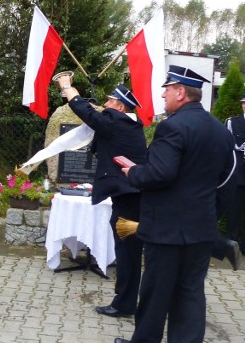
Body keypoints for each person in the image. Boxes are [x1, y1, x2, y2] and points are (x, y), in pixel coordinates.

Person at [115, 65, 236, 343]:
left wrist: (133, 171)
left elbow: (160, 173)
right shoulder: (220, 129)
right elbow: (227, 180)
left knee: (156, 293)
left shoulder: (172, 126)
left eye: (167, 90)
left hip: (166, 231)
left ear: (181, 92)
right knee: (190, 293)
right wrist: (211, 215)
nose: (163, 96)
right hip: (201, 230)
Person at [54, 75, 146, 318]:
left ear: (120, 107)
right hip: (132, 198)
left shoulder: (117, 121)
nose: (105, 105)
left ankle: (124, 305)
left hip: (128, 202)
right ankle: (126, 300)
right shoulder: (129, 124)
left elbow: (89, 113)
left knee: (127, 254)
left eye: (110, 101)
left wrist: (67, 87)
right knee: (130, 254)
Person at [224, 94, 245, 247]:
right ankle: (233, 245)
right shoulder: (233, 123)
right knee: (234, 211)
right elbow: (226, 148)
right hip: (238, 175)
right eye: (244, 103)